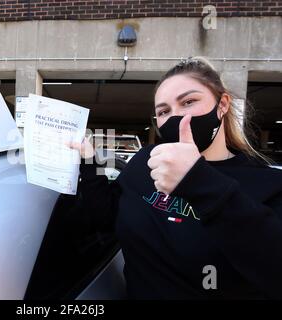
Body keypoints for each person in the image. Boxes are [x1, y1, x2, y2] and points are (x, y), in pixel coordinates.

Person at [69, 57, 282, 299]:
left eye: (189, 102)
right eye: (164, 111)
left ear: (222, 105)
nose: (176, 117)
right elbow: (107, 217)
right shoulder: (146, 161)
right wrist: (89, 161)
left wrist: (199, 180)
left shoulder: (267, 184)